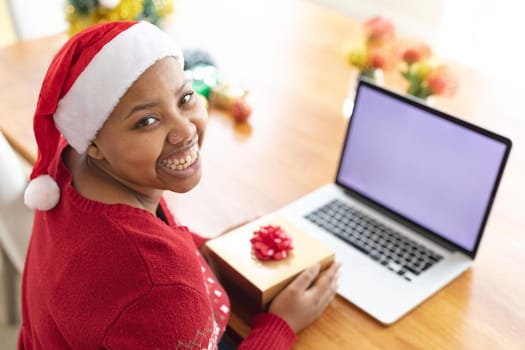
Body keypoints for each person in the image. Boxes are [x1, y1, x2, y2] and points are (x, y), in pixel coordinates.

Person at [19, 21, 340, 349]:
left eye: (185, 98)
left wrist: (215, 246)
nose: (185, 130)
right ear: (95, 144)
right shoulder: (161, 289)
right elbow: (157, 284)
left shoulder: (71, 162)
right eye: (146, 121)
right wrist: (282, 324)